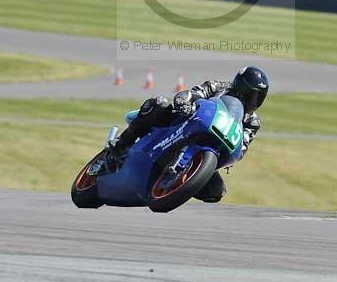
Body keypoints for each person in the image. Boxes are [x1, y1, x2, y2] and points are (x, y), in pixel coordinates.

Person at [110, 66, 269, 203]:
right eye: (250, 94)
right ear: (239, 85)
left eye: (258, 97)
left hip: (213, 144)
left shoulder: (252, 122)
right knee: (158, 104)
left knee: (216, 192)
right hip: (184, 122)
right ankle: (120, 144)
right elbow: (191, 94)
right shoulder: (218, 87)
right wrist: (183, 102)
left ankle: (176, 187)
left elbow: (242, 147)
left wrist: (234, 152)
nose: (252, 100)